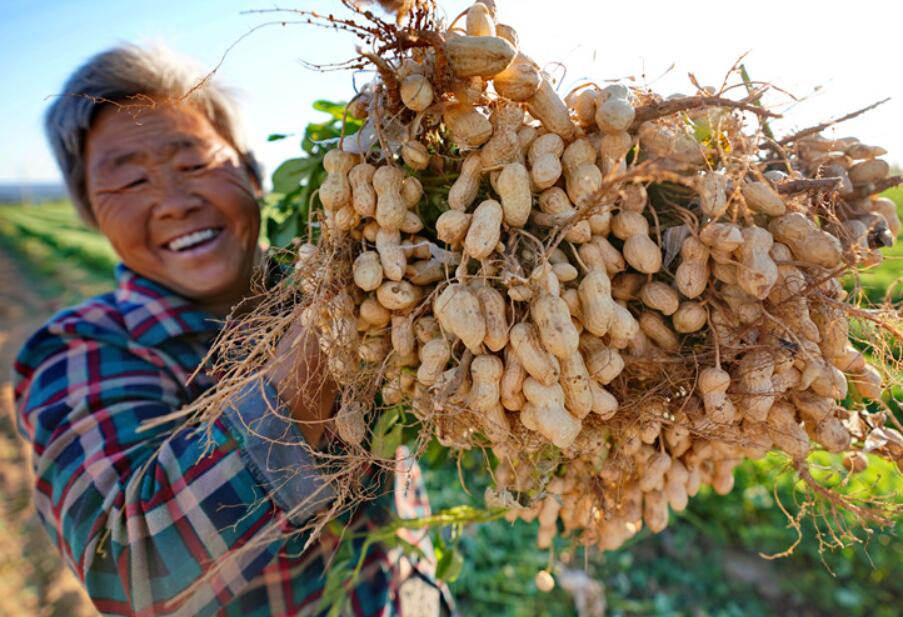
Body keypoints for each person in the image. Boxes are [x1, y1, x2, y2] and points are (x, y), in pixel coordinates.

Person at [13, 44, 449, 616]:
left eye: (195, 163)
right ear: (94, 217)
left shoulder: (387, 270)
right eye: (128, 184)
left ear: (252, 172)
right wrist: (331, 321)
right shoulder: (79, 352)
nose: (173, 202)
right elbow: (129, 574)